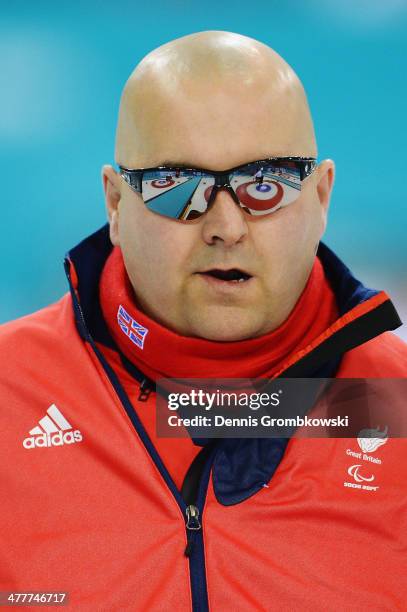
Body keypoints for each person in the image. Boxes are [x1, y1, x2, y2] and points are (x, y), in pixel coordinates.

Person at [1, 30, 406, 611]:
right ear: (116, 204)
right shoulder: (7, 394)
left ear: (320, 196)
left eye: (264, 186)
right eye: (176, 188)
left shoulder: (398, 403)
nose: (226, 227)